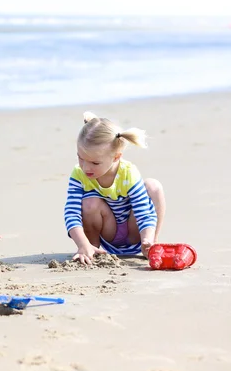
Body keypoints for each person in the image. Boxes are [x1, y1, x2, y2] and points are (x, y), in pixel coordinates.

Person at [63, 112, 165, 264]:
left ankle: (151, 245)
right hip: (108, 234)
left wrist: (147, 237)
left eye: (95, 163)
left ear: (116, 157)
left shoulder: (128, 173)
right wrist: (82, 244)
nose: (85, 167)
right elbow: (71, 213)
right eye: (81, 158)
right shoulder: (79, 174)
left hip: (135, 232)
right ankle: (91, 249)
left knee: (153, 186)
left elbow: (143, 212)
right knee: (89, 203)